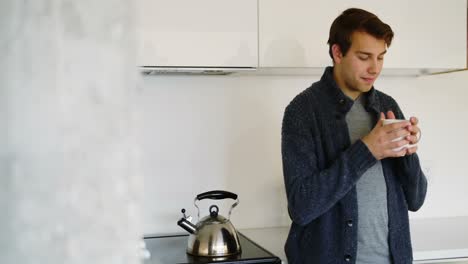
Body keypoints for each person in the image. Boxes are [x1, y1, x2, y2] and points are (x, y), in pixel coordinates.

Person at [281, 8, 427, 264]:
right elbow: (301, 207)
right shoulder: (303, 111)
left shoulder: (387, 105)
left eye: (381, 57)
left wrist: (408, 154)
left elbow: (416, 200)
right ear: (338, 53)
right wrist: (366, 151)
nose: (375, 68)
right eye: (364, 57)